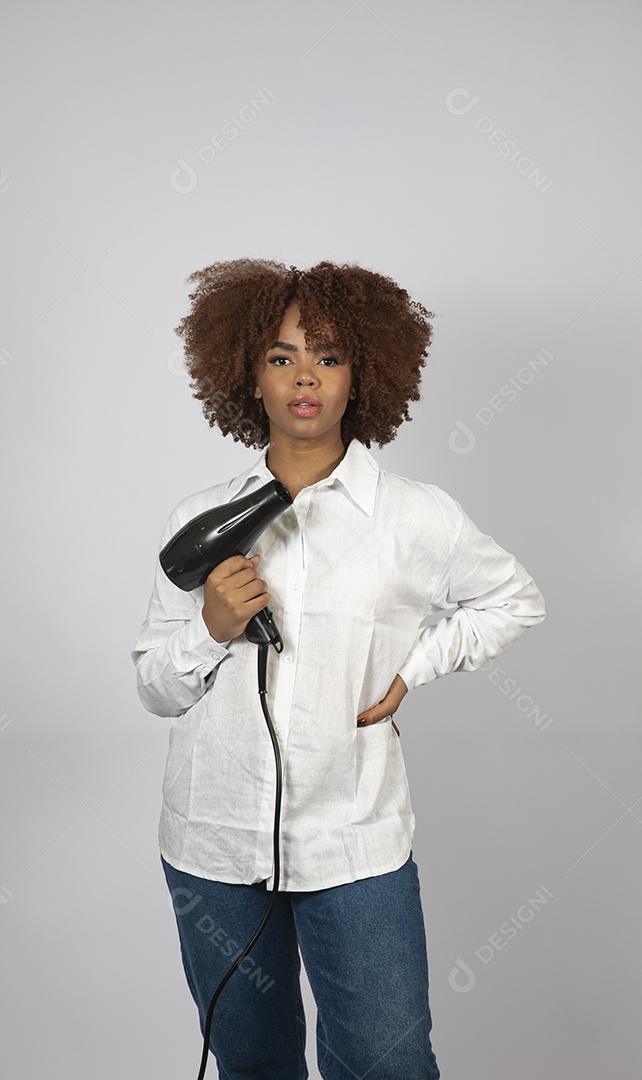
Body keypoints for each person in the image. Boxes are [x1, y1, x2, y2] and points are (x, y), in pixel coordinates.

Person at [131, 259, 546, 1080]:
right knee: (253, 1063)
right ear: (249, 375)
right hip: (213, 848)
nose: (304, 378)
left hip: (355, 843)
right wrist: (211, 630)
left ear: (363, 375)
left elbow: (514, 600)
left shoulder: (413, 518)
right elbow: (155, 686)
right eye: (281, 357)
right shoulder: (199, 520)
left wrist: (411, 668)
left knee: (386, 1062)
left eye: (327, 356)